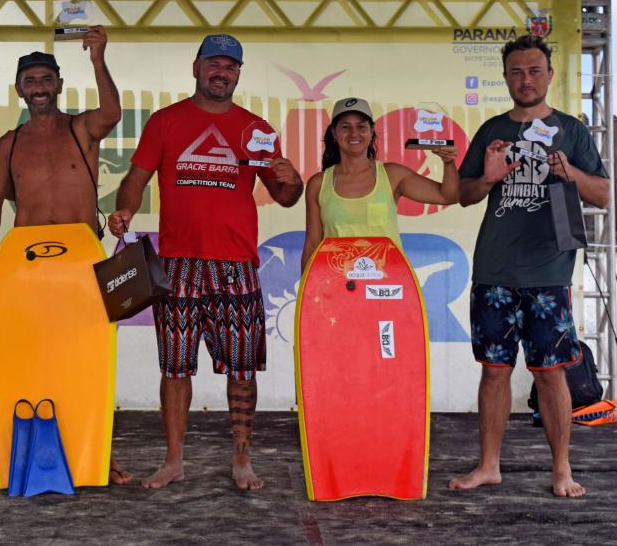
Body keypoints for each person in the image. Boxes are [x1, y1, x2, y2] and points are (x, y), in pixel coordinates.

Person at [108, 34, 303, 490]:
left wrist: (291, 180)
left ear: (238, 74)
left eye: (231, 67)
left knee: (242, 367)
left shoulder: (256, 128)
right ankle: (174, 460)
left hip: (236, 263)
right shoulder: (165, 121)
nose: (222, 72)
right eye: (214, 64)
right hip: (176, 264)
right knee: (174, 368)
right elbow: (136, 178)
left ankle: (242, 459)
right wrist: (125, 210)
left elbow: (285, 196)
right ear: (195, 67)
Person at [450, 35, 609, 498]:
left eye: (534, 71)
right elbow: (464, 195)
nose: (525, 79)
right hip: (495, 270)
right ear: (506, 77)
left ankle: (562, 470)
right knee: (494, 371)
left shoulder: (571, 130)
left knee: (551, 373)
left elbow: (602, 193)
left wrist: (570, 173)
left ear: (549, 75)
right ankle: (488, 466)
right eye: (517, 72)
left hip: (548, 273)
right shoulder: (492, 129)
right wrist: (489, 177)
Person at [0, 26, 132, 484]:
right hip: (25, 268)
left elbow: (113, 112)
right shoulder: (10, 142)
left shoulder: (82, 128)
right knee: (29, 360)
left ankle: (99, 451)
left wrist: (98, 58)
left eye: (47, 80)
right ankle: (22, 455)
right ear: (19, 89)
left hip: (81, 262)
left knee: (87, 361)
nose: (39, 89)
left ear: (59, 84)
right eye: (31, 81)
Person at [300, 98, 459, 269]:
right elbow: (312, 244)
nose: (354, 133)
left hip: (387, 283)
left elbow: (448, 196)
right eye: (345, 127)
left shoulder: (393, 175)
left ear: (371, 131)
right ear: (334, 133)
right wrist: (307, 292)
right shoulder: (318, 183)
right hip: (337, 283)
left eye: (361, 126)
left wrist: (448, 164)